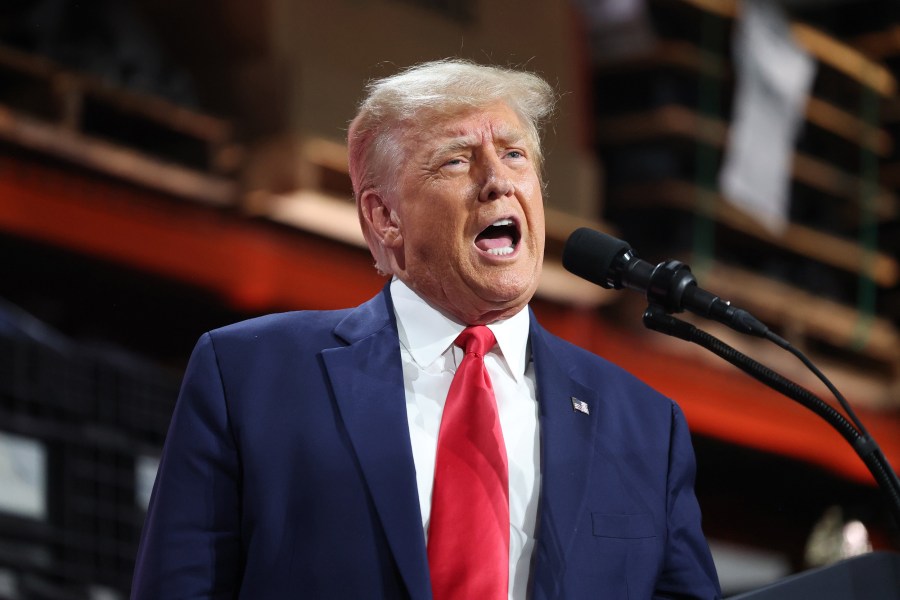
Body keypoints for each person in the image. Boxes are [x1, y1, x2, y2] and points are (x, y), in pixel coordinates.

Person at [131, 59, 721, 599]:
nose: (499, 181)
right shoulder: (250, 376)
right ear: (384, 218)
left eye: (515, 155)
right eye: (457, 160)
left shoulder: (645, 427)